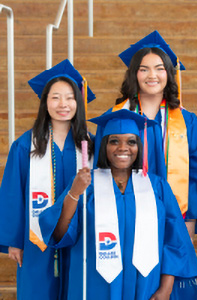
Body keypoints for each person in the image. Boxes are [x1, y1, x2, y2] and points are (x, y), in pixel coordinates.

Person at [93, 30, 197, 299]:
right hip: (126, 214)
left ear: (169, 74)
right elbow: (102, 167)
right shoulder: (116, 120)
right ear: (134, 75)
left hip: (175, 214)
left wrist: (192, 218)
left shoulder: (186, 121)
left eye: (160, 68)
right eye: (144, 69)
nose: (152, 75)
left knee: (170, 280)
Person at [39, 109, 197, 300]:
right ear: (103, 145)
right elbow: (59, 234)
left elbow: (174, 241)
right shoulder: (86, 184)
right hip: (95, 286)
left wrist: (165, 289)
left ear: (139, 146)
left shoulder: (157, 186)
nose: (123, 148)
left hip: (146, 287)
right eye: (114, 141)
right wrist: (74, 193)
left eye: (131, 142)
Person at [0, 59, 95, 299]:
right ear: (45, 103)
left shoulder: (91, 145)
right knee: (38, 290)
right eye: (55, 97)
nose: (63, 104)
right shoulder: (25, 145)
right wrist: (13, 241)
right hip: (36, 243)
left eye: (70, 97)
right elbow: (13, 194)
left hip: (81, 239)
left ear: (79, 102)